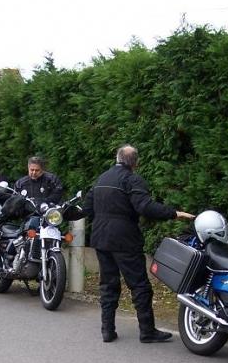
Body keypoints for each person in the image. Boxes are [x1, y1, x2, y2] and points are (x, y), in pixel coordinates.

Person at [83, 144, 195, 343]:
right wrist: (173, 213)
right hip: (125, 239)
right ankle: (147, 331)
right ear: (135, 162)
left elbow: (87, 208)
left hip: (101, 238)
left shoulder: (101, 179)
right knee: (140, 286)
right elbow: (145, 206)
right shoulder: (132, 179)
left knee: (108, 285)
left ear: (117, 159)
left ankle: (107, 330)